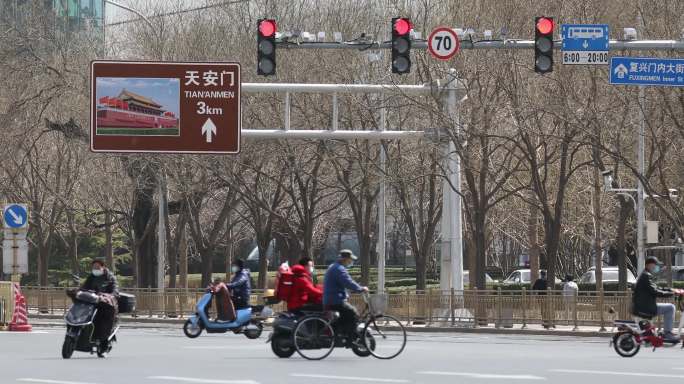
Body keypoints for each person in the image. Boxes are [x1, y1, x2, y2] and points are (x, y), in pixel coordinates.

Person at [323, 250, 368, 344]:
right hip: (335, 299)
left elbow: (344, 283)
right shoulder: (339, 269)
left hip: (332, 298)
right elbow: (347, 282)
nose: (351, 262)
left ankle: (340, 332)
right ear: (345, 259)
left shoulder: (335, 267)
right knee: (353, 313)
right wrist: (360, 289)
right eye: (350, 260)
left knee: (346, 315)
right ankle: (349, 339)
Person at [632, 256, 678, 342]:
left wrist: (670, 290)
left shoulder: (646, 275)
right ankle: (667, 333)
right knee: (670, 308)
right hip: (645, 308)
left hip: (644, 306)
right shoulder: (646, 276)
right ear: (649, 265)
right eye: (655, 265)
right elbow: (655, 292)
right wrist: (671, 294)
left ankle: (665, 332)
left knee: (670, 307)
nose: (657, 267)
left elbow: (656, 288)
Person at [80, 259, 118, 346]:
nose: (95, 269)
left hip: (106, 303)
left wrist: (109, 295)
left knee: (103, 318)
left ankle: (103, 339)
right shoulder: (91, 277)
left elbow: (115, 290)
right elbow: (84, 287)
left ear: (103, 267)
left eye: (97, 267)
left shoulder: (110, 277)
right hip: (93, 300)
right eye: (94, 267)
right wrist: (79, 291)